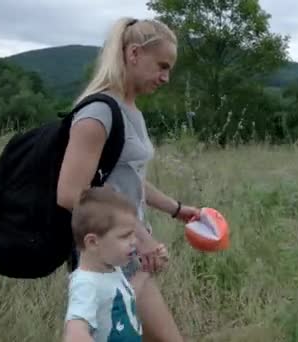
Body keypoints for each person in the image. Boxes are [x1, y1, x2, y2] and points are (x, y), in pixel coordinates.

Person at [56, 17, 199, 342]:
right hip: (106, 254)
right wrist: (141, 238)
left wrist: (176, 209)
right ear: (134, 53)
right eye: (162, 66)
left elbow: (128, 179)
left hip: (127, 249)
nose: (166, 77)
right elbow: (70, 193)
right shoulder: (99, 113)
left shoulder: (130, 110)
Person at [63, 186, 167, 342]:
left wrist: (146, 271)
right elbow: (75, 333)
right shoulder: (86, 284)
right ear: (92, 242)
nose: (134, 241)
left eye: (134, 234)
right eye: (125, 236)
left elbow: (123, 299)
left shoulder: (110, 269)